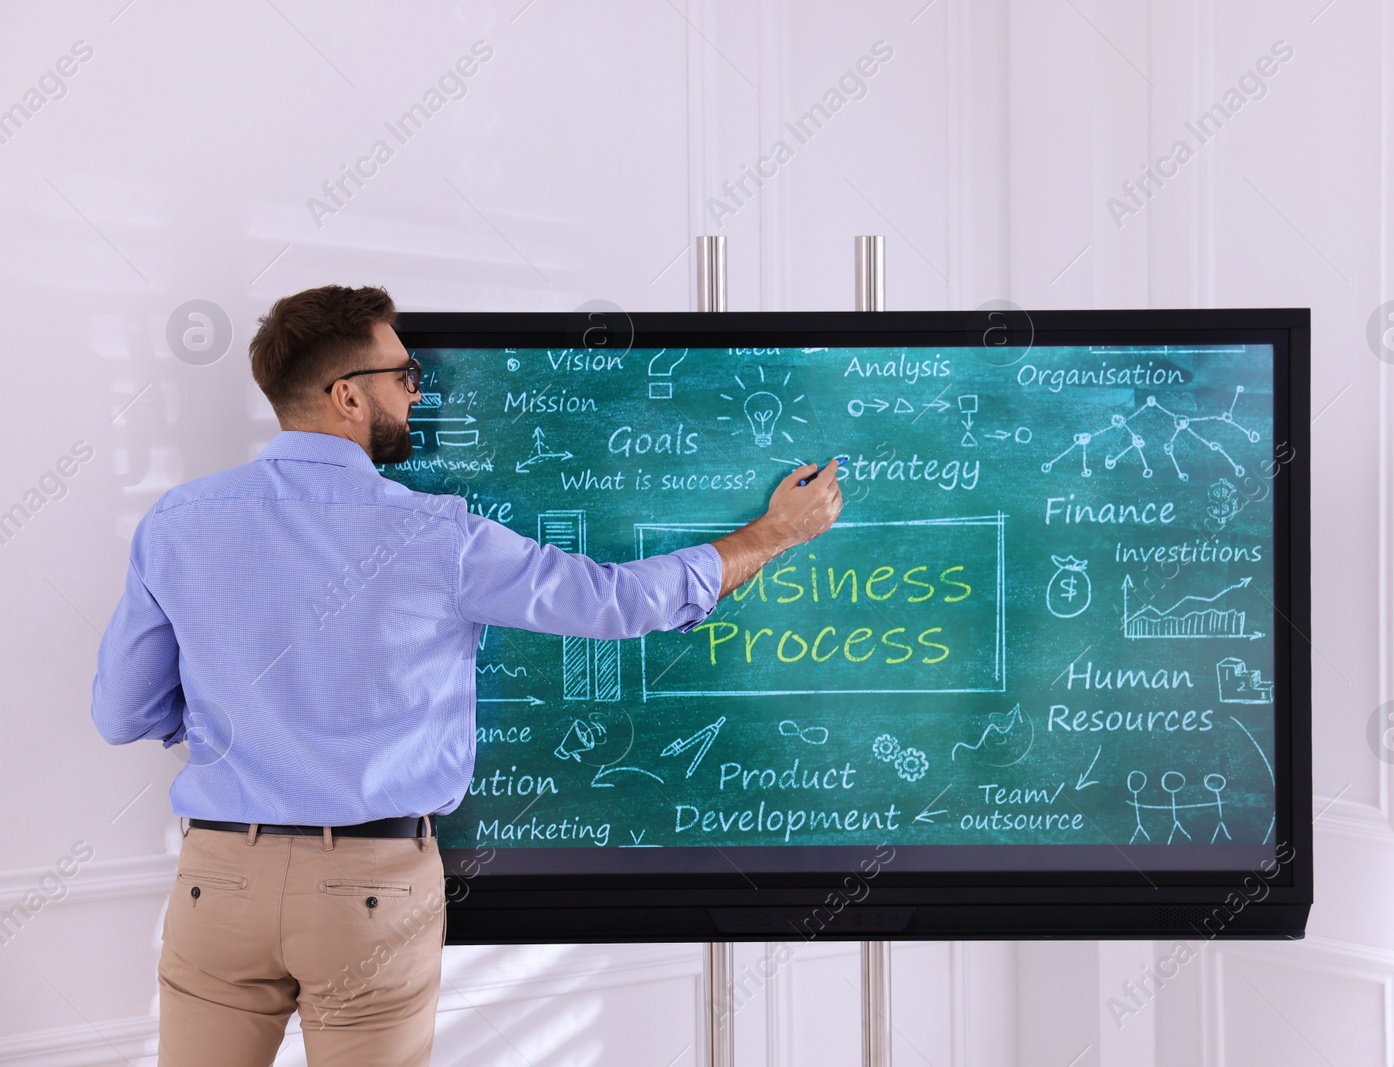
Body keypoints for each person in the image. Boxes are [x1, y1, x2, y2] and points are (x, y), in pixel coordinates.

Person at [89, 284, 842, 1067]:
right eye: (405, 375)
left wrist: (241, 727)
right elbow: (613, 602)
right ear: (347, 395)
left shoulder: (178, 522)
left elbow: (121, 711)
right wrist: (768, 535)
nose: (419, 391)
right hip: (368, 890)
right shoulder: (434, 533)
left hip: (220, 884)